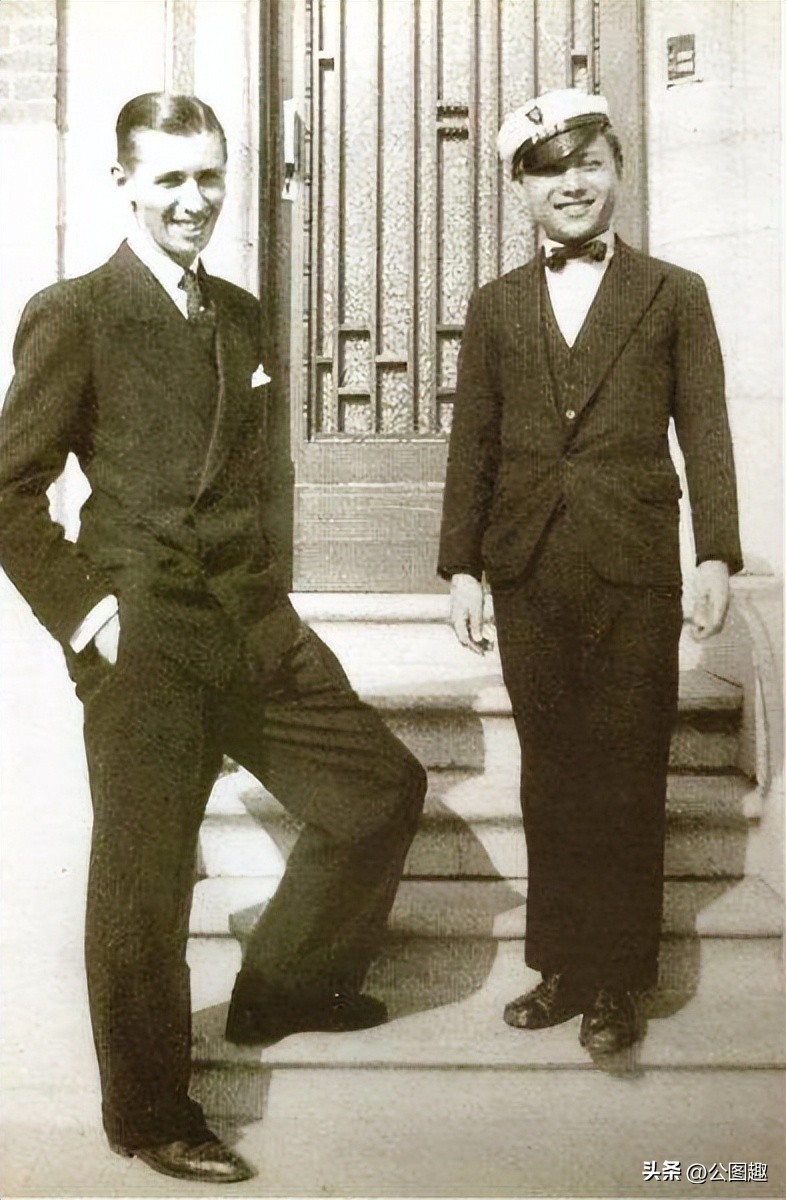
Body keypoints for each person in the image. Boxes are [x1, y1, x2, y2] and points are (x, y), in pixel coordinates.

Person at [0, 92, 427, 1183]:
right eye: (171, 179)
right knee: (143, 881)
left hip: (252, 622)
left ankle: (282, 987)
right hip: (147, 634)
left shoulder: (240, 314)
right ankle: (150, 1114)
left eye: (209, 176)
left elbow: (261, 476)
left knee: (378, 789)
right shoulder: (76, 312)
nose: (194, 200)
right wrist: (89, 614)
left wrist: (274, 596)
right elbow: (8, 489)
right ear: (124, 183)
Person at [438, 89, 742, 1058]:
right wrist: (461, 568)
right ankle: (561, 966)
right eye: (548, 171)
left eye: (589, 164)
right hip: (528, 566)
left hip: (633, 568)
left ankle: (617, 977)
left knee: (625, 772)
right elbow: (473, 443)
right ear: (520, 190)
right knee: (553, 772)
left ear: (617, 171)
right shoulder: (496, 306)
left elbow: (706, 430)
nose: (571, 184)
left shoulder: (673, 293)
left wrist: (714, 552)